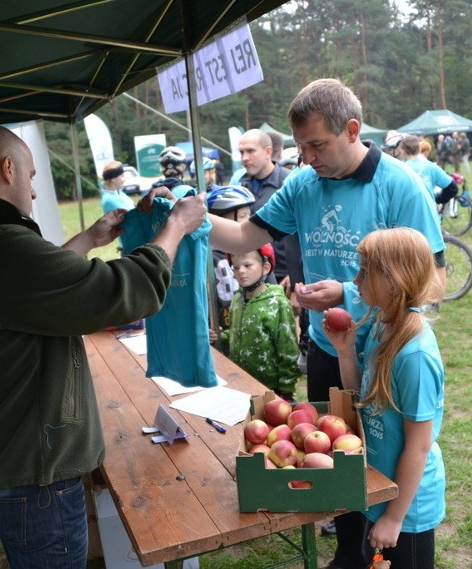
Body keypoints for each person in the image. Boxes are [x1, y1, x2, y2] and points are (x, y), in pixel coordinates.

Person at [142, 78, 445, 567]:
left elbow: (435, 276)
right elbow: (243, 235)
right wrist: (188, 216)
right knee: (341, 461)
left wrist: (347, 291)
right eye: (300, 145)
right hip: (335, 351)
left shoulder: (400, 185)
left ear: (351, 130)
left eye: (317, 144)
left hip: (389, 350)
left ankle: (392, 533)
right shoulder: (304, 184)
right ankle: (351, 549)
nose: (306, 157)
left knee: (388, 450)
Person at [0, 123, 206, 569]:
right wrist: (176, 225)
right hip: (33, 476)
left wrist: (90, 240)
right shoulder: (4, 248)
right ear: (8, 169)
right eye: (32, 177)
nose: (35, 191)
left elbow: (30, 290)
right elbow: (128, 289)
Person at [322, 227, 445, 569]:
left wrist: (394, 517)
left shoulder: (415, 356)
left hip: (408, 506)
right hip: (381, 487)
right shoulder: (382, 323)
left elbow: (418, 446)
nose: (356, 279)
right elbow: (364, 397)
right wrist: (346, 353)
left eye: (364, 271)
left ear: (393, 280)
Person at [214, 244, 301, 401]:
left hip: (270, 390)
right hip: (242, 385)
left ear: (266, 267)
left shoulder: (278, 303)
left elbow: (289, 351)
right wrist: (220, 337)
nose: (241, 271)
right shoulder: (237, 301)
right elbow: (237, 332)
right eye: (236, 267)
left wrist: (286, 392)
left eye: (247, 265)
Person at [235, 128, 292, 284]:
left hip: (283, 276)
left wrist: (295, 275)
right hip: (249, 276)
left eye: (250, 151)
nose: (244, 158)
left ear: (268, 152)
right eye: (241, 152)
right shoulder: (240, 184)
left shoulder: (289, 182)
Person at [207, 185, 256, 339]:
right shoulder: (207, 257)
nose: (249, 221)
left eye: (249, 215)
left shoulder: (255, 250)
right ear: (221, 219)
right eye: (243, 216)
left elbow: (271, 289)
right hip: (222, 333)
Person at [397, 136, 458, 205]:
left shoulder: (399, 169)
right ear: (419, 149)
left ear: (402, 151)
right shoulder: (430, 166)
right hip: (429, 212)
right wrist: (436, 200)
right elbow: (452, 188)